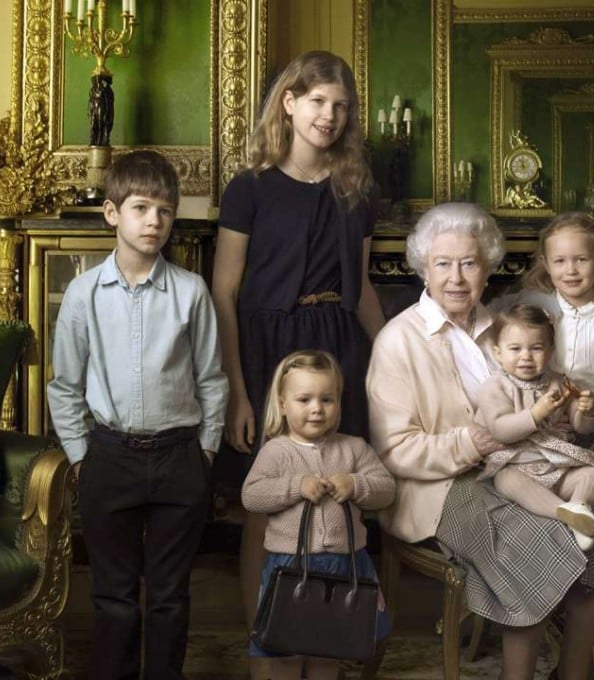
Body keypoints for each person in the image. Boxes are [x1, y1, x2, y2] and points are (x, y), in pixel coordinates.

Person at [367, 202, 594, 680]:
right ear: (422, 270)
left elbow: (535, 403)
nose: (456, 278)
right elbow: (395, 451)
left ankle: (571, 673)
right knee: (542, 544)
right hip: (441, 486)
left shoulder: (503, 327)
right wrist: (470, 444)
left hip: (520, 468)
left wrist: (569, 411)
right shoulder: (398, 341)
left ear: (487, 268)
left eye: (469, 263)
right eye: (443, 264)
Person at [211, 50, 385, 677]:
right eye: (317, 102)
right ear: (288, 102)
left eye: (340, 106)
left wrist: (388, 360)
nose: (328, 116)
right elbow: (224, 291)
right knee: (267, 504)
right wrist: (237, 389)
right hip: (266, 353)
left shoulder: (356, 191)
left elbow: (361, 287)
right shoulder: (250, 188)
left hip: (335, 347)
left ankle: (332, 630)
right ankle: (268, 639)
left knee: (338, 494)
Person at [47, 150, 229, 679]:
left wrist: (207, 450)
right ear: (112, 213)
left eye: (165, 211)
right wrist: (84, 457)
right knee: (114, 596)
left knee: (170, 596)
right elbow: (65, 387)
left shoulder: (191, 293)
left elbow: (211, 378)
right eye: (141, 208)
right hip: (109, 457)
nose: (154, 221)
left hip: (179, 458)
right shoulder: (83, 295)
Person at [242, 350, 394, 680]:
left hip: (344, 567)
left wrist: (354, 485)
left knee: (329, 653)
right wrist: (296, 486)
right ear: (282, 403)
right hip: (290, 568)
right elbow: (251, 495)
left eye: (327, 399)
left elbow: (386, 488)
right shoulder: (276, 451)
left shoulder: (353, 448)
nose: (316, 408)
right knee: (286, 652)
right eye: (304, 399)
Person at [497, 212, 594, 456]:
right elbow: (487, 320)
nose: (571, 270)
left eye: (581, 259)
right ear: (546, 264)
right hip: (536, 423)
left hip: (593, 427)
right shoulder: (532, 303)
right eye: (560, 261)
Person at [476, 303, 594, 551]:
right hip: (517, 463)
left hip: (557, 466)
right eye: (515, 349)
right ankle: (564, 513)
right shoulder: (495, 387)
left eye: (536, 348)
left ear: (550, 351)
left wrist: (587, 411)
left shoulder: (560, 382)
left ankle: (579, 506)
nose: (526, 356)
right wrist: (536, 414)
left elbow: (581, 429)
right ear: (498, 353)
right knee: (506, 480)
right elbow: (499, 429)